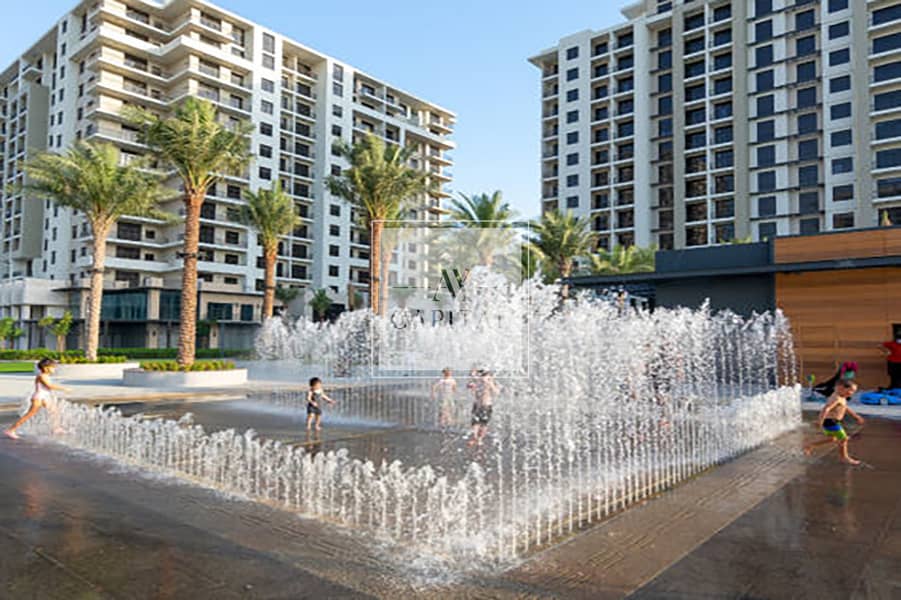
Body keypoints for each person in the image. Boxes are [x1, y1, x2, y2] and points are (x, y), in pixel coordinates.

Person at [5, 358, 70, 440]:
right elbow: (49, 386)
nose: (54, 369)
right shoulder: (41, 376)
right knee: (29, 415)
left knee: (54, 412)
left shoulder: (46, 376)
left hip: (44, 397)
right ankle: (11, 430)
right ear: (46, 368)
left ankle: (56, 428)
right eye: (52, 367)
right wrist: (64, 389)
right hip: (38, 398)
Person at [803, 380, 865, 465]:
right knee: (843, 439)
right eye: (851, 390)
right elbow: (826, 409)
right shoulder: (836, 398)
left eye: (854, 391)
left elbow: (845, 407)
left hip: (833, 421)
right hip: (831, 422)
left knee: (833, 438)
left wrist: (856, 416)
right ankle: (845, 457)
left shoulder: (842, 397)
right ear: (841, 388)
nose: (852, 393)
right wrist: (820, 421)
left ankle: (810, 445)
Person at [468, 369, 500, 447]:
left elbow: (470, 386)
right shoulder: (484, 381)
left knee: (478, 423)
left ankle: (477, 438)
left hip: (481, 405)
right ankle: (478, 439)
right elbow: (496, 392)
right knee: (481, 423)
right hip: (483, 405)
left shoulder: (479, 381)